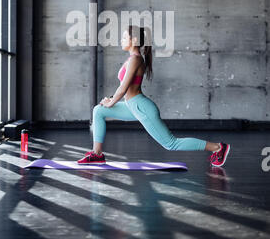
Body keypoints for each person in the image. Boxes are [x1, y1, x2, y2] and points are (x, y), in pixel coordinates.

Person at [77, 25, 230, 167]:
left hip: (141, 107)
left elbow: (124, 88)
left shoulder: (136, 59)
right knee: (99, 110)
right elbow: (124, 87)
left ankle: (218, 147)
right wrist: (111, 100)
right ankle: (97, 154)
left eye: (124, 37)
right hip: (132, 106)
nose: (121, 40)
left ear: (134, 40)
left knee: (171, 144)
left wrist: (111, 103)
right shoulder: (132, 59)